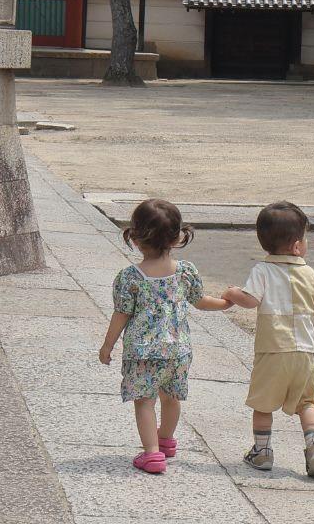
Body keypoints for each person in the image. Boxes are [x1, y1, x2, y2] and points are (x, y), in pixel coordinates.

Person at [98, 197, 231, 474]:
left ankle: (152, 455)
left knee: (145, 401)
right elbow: (200, 300)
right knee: (171, 397)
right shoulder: (185, 272)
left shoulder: (129, 277)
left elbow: (121, 314)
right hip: (178, 350)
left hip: (143, 351)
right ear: (175, 238)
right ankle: (166, 441)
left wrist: (107, 345)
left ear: (135, 238)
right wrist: (225, 303)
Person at [221, 200, 314, 477]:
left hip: (273, 351)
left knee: (263, 404)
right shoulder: (310, 273)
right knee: (308, 403)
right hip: (306, 352)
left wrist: (232, 293)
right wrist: (306, 328)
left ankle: (262, 451)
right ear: (297, 246)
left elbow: (250, 300)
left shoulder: (263, 270)